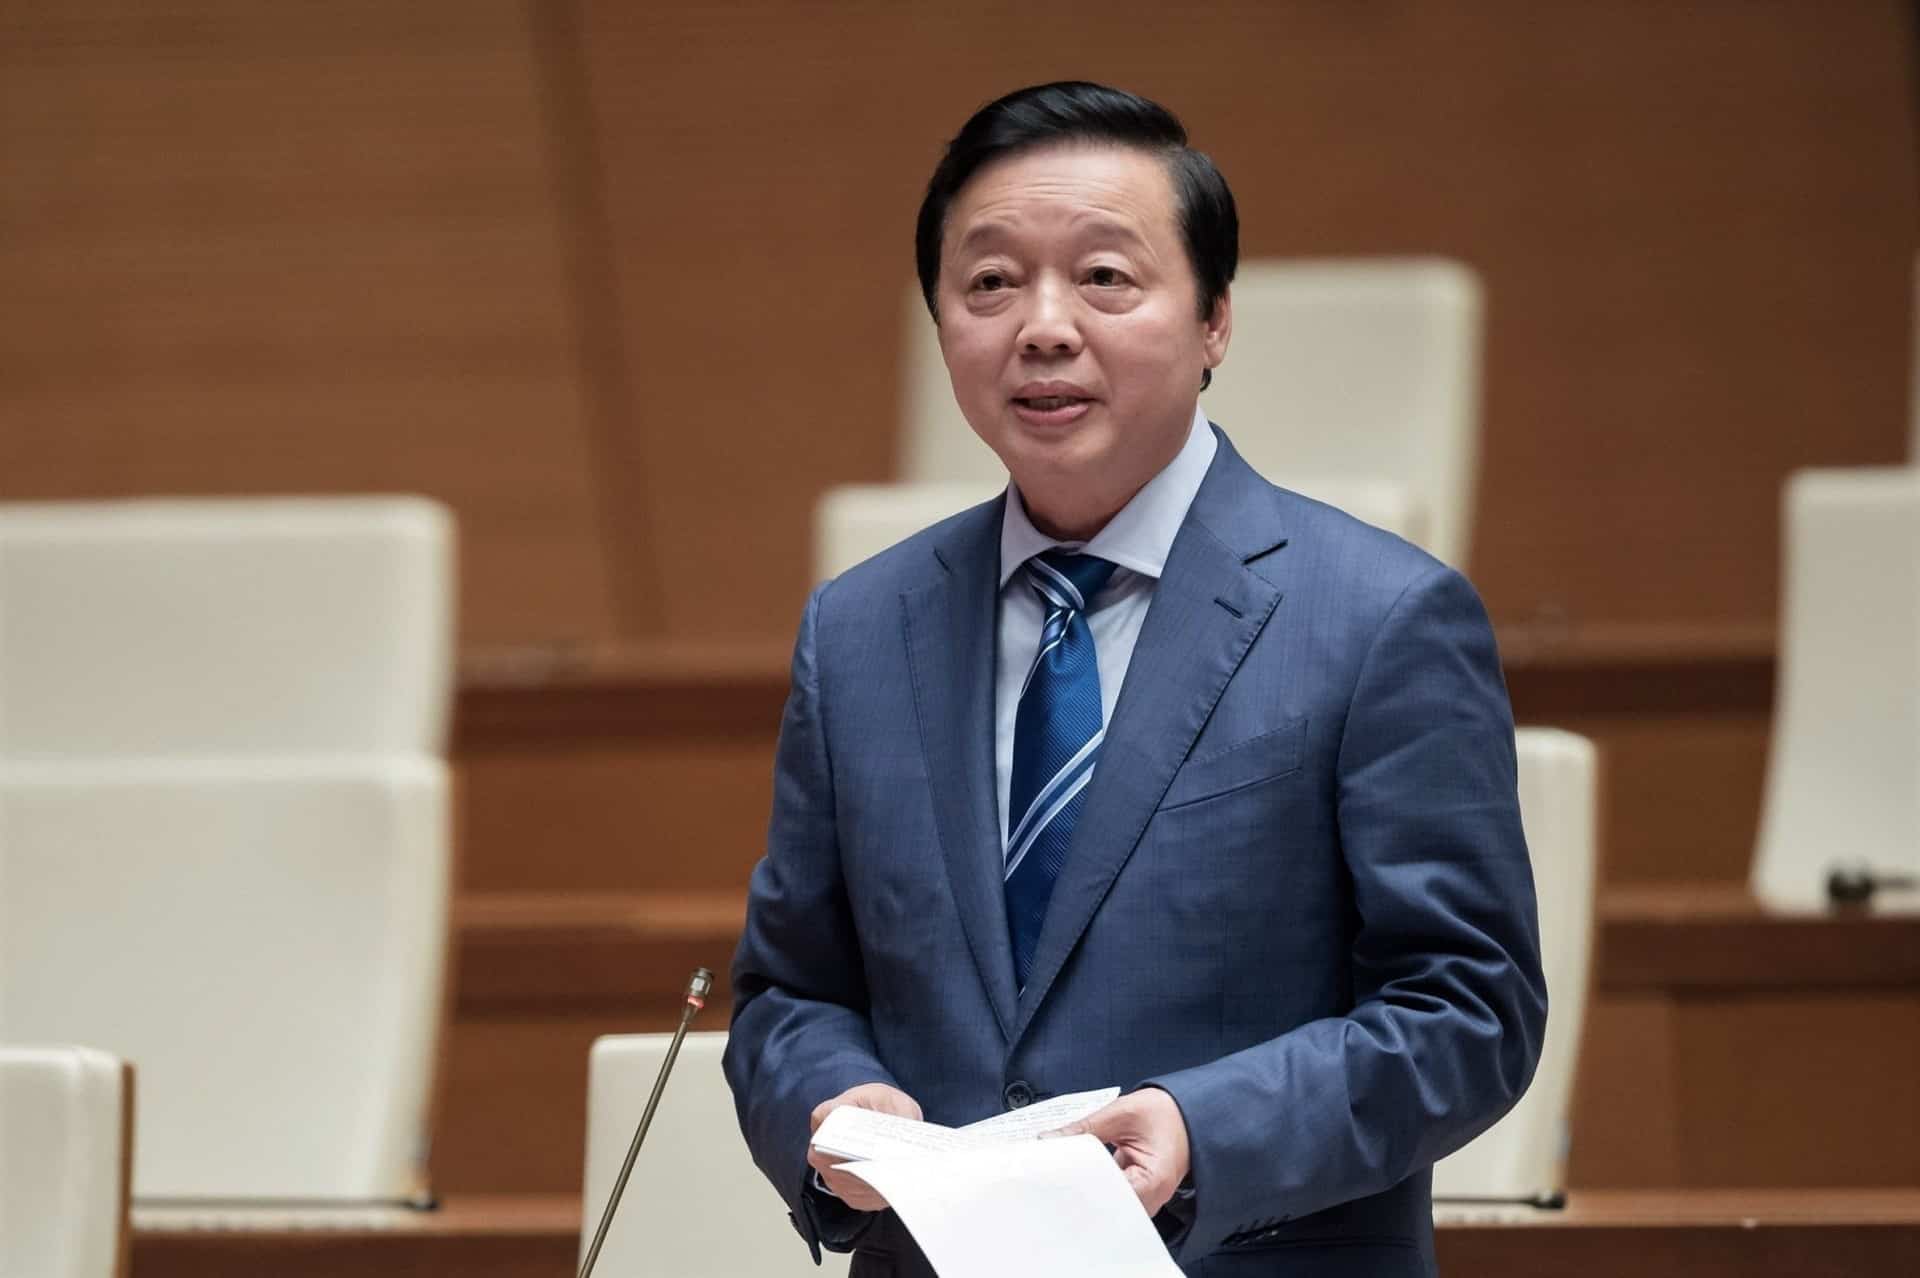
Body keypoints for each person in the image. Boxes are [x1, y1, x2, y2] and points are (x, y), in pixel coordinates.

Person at [724, 81, 1546, 1278]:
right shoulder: (857, 632)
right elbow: (789, 992)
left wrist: (1203, 1131)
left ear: (1214, 321)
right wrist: (836, 1102)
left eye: (1105, 277)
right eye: (990, 283)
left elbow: (1468, 1009)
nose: (1042, 327)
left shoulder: (1381, 617)